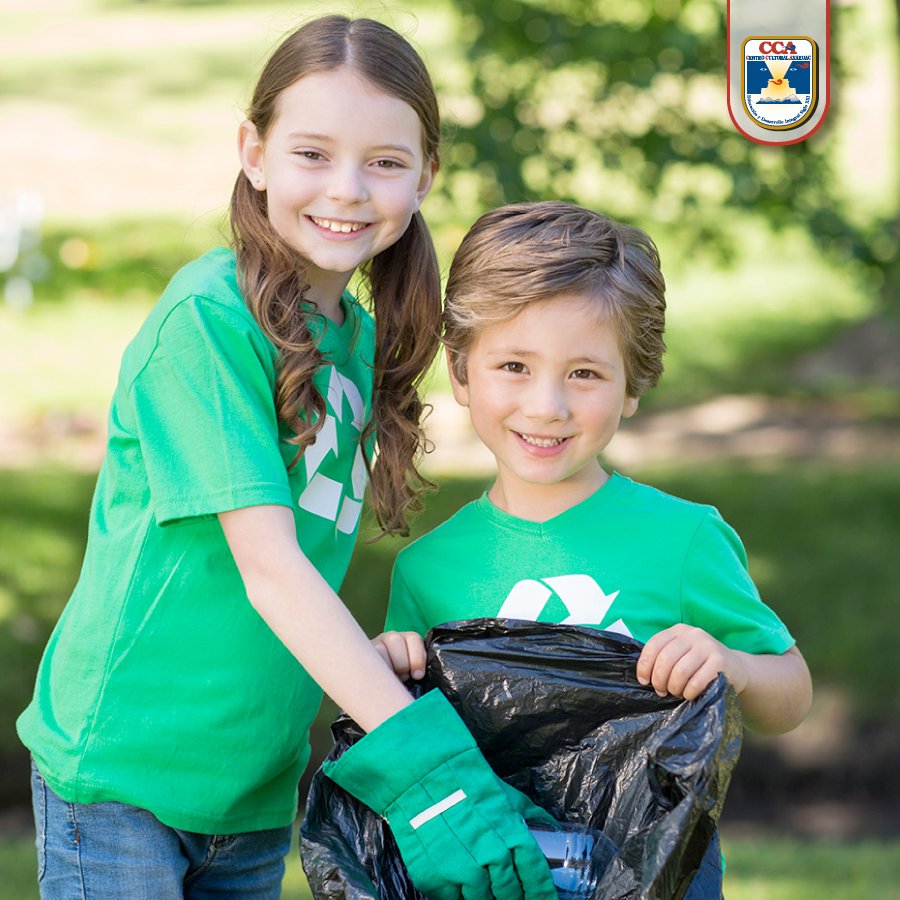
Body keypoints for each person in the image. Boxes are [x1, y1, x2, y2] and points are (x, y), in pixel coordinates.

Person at [17, 18, 557, 900]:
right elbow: (271, 569)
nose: (347, 189)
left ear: (427, 176)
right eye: (313, 153)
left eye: (384, 162)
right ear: (254, 153)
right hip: (124, 774)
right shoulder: (209, 321)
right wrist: (433, 773)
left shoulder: (360, 342)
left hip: (253, 788)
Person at [375, 200, 814, 884]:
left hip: (653, 872)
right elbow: (410, 747)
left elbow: (790, 698)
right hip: (492, 876)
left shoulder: (684, 539)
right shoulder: (427, 568)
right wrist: (388, 664)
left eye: (584, 373)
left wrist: (730, 663)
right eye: (513, 366)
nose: (546, 406)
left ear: (632, 385)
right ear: (460, 373)